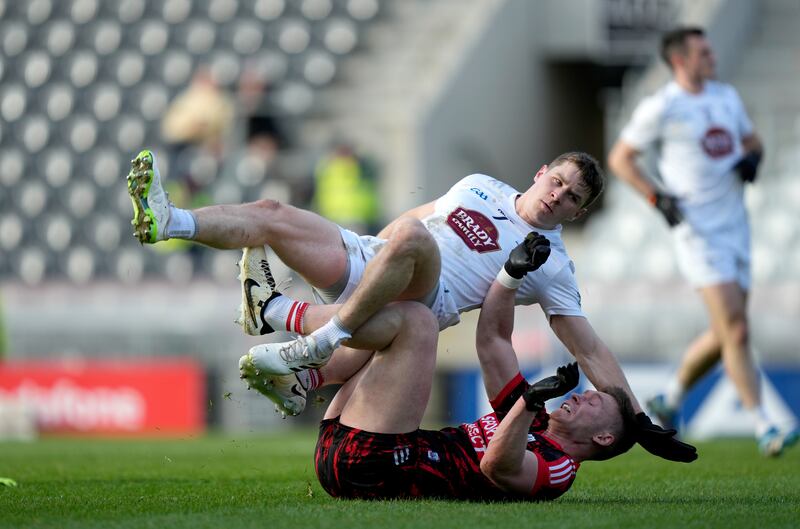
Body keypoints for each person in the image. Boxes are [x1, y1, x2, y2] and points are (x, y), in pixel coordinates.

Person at [126, 148, 696, 463]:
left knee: (417, 244)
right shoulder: (478, 184)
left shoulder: (551, 263)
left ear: (576, 214)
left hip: (425, 294)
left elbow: (587, 345)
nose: (559, 197)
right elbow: (412, 220)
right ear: (540, 172)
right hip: (378, 258)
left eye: (573, 199)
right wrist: (364, 256)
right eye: (559, 183)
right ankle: (170, 221)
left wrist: (637, 418)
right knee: (274, 213)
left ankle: (297, 332)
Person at [309, 235, 637, 500]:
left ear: (604, 437)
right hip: (344, 446)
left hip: (375, 467)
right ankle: (305, 375)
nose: (581, 397)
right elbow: (494, 341)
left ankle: (284, 318)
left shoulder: (559, 469)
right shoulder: (534, 418)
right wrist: (510, 274)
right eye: (589, 395)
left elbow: (496, 466)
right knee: (410, 304)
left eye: (593, 402)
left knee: (420, 320)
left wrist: (529, 401)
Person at [607, 26, 798, 457]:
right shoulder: (663, 106)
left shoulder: (725, 97)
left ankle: (671, 396)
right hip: (698, 232)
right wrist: (657, 197)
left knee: (725, 331)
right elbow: (620, 158)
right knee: (738, 328)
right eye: (703, 52)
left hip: (737, 226)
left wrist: (753, 157)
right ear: (679, 60)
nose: (711, 57)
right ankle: (766, 424)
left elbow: (751, 140)